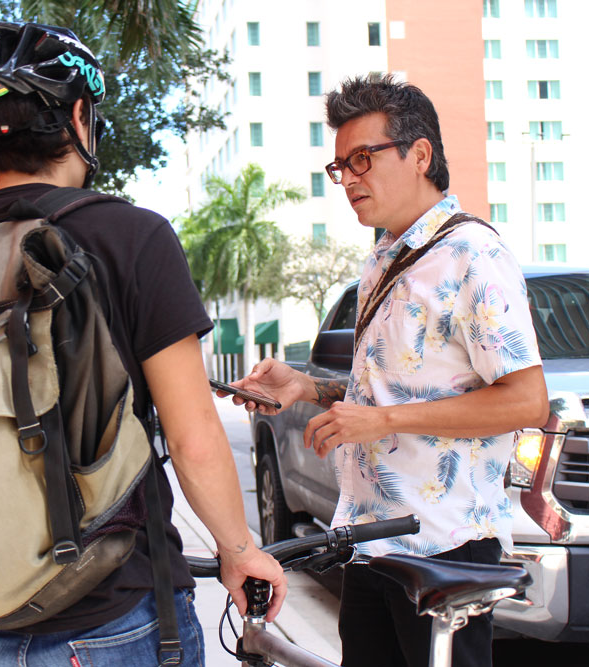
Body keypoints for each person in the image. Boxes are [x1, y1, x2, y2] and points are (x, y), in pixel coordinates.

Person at [0, 21, 287, 666]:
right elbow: (192, 433)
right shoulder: (133, 237)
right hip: (113, 610)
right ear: (76, 117)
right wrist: (239, 550)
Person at [229, 74, 549, 667]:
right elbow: (382, 393)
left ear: (420, 154)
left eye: (362, 159)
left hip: (443, 549)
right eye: (339, 166)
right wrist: (305, 388)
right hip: (370, 538)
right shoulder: (385, 256)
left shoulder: (472, 254)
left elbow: (528, 401)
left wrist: (384, 420)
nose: (348, 179)